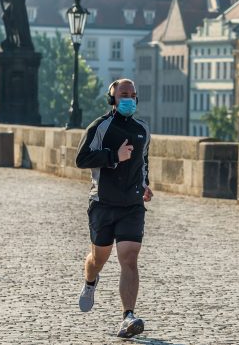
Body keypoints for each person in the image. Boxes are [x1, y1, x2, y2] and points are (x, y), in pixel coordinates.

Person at [75, 78, 153, 339]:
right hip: (103, 204)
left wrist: (145, 185)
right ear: (112, 98)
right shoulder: (100, 127)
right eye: (123, 94)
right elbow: (81, 159)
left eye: (132, 94)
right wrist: (113, 157)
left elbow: (143, 163)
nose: (128, 98)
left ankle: (127, 316)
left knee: (129, 259)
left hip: (132, 205)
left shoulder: (143, 129)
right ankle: (90, 281)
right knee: (98, 259)